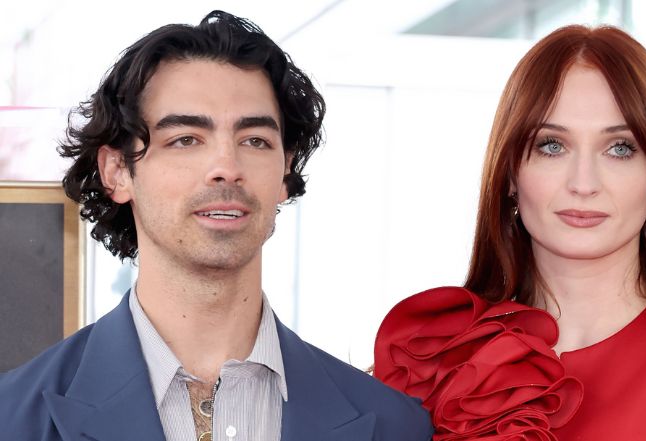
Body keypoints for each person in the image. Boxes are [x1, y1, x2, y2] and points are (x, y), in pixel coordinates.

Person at [0, 11, 432, 441]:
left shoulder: (395, 426)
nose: (227, 167)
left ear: (285, 171)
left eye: (255, 141)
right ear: (117, 171)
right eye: (186, 139)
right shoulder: (12, 418)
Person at [374, 24, 646, 440]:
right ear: (511, 173)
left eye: (620, 148)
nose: (584, 183)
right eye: (552, 145)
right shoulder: (430, 362)